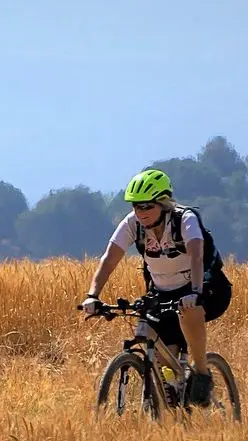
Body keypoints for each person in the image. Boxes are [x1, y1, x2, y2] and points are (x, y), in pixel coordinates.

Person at [80, 169, 232, 407]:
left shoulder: (185, 219)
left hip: (206, 287)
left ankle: (202, 373)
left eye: (147, 206)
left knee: (189, 311)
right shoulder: (132, 224)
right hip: (163, 292)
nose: (141, 213)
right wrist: (93, 295)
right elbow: (109, 259)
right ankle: (172, 392)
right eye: (136, 207)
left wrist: (194, 291)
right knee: (156, 340)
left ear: (163, 203)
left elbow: (196, 254)